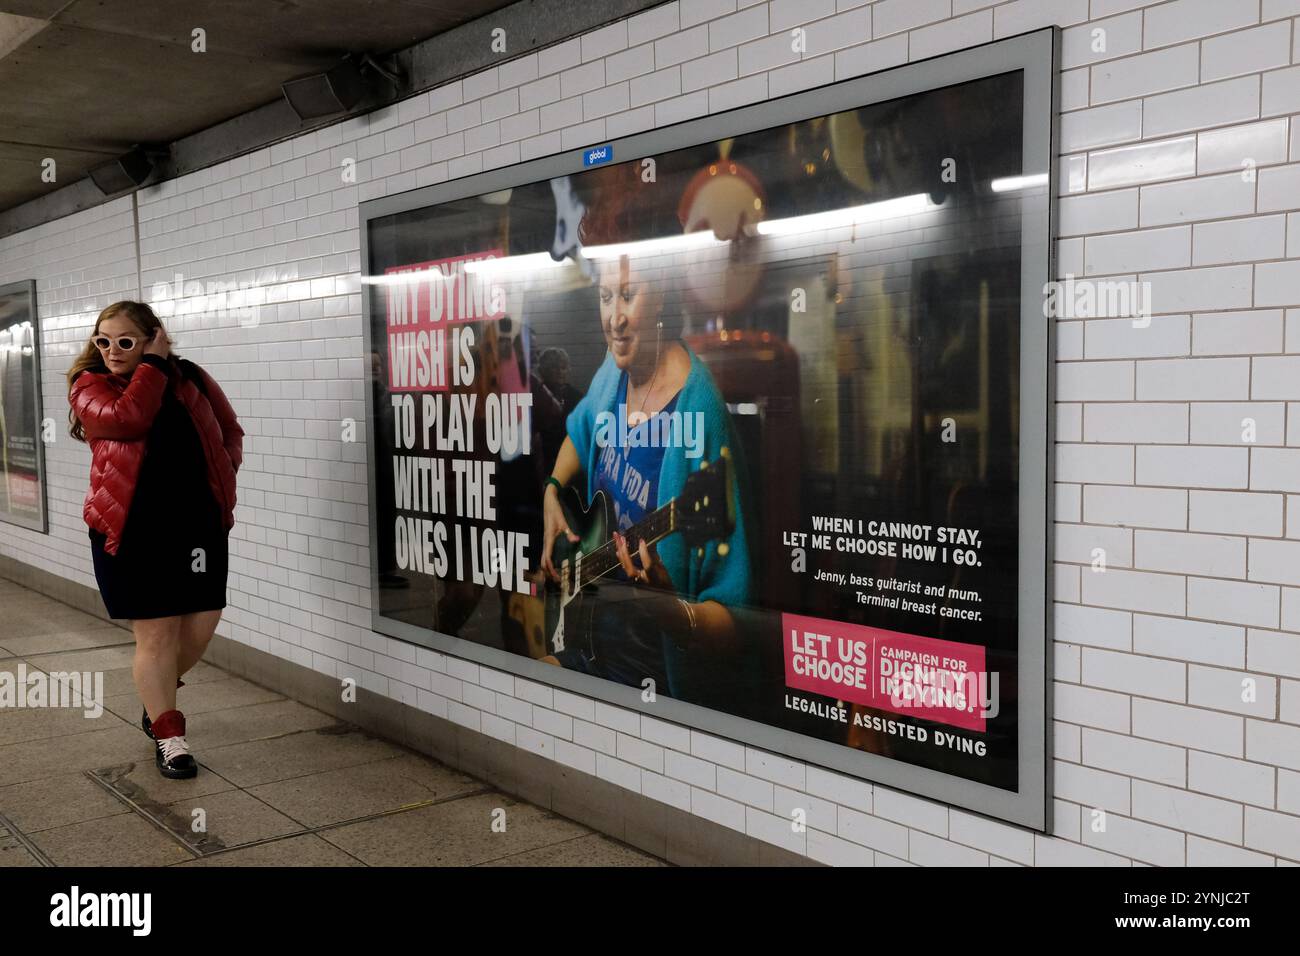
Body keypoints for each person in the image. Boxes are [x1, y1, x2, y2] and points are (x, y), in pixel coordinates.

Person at [538, 165, 752, 698]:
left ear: (663, 296)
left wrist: (668, 606)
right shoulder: (614, 373)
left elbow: (735, 626)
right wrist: (551, 492)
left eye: (629, 295)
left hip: (653, 678)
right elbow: (578, 433)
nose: (615, 319)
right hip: (587, 642)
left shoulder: (700, 415)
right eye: (606, 297)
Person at [67, 301, 243, 779]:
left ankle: (157, 696)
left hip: (197, 526)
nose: (112, 351)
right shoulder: (90, 385)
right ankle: (170, 736)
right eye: (104, 341)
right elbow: (128, 419)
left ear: (153, 335)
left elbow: (229, 430)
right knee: (157, 633)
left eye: (125, 341)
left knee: (203, 622)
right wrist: (152, 365)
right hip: (131, 530)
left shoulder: (193, 379)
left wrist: (222, 472)